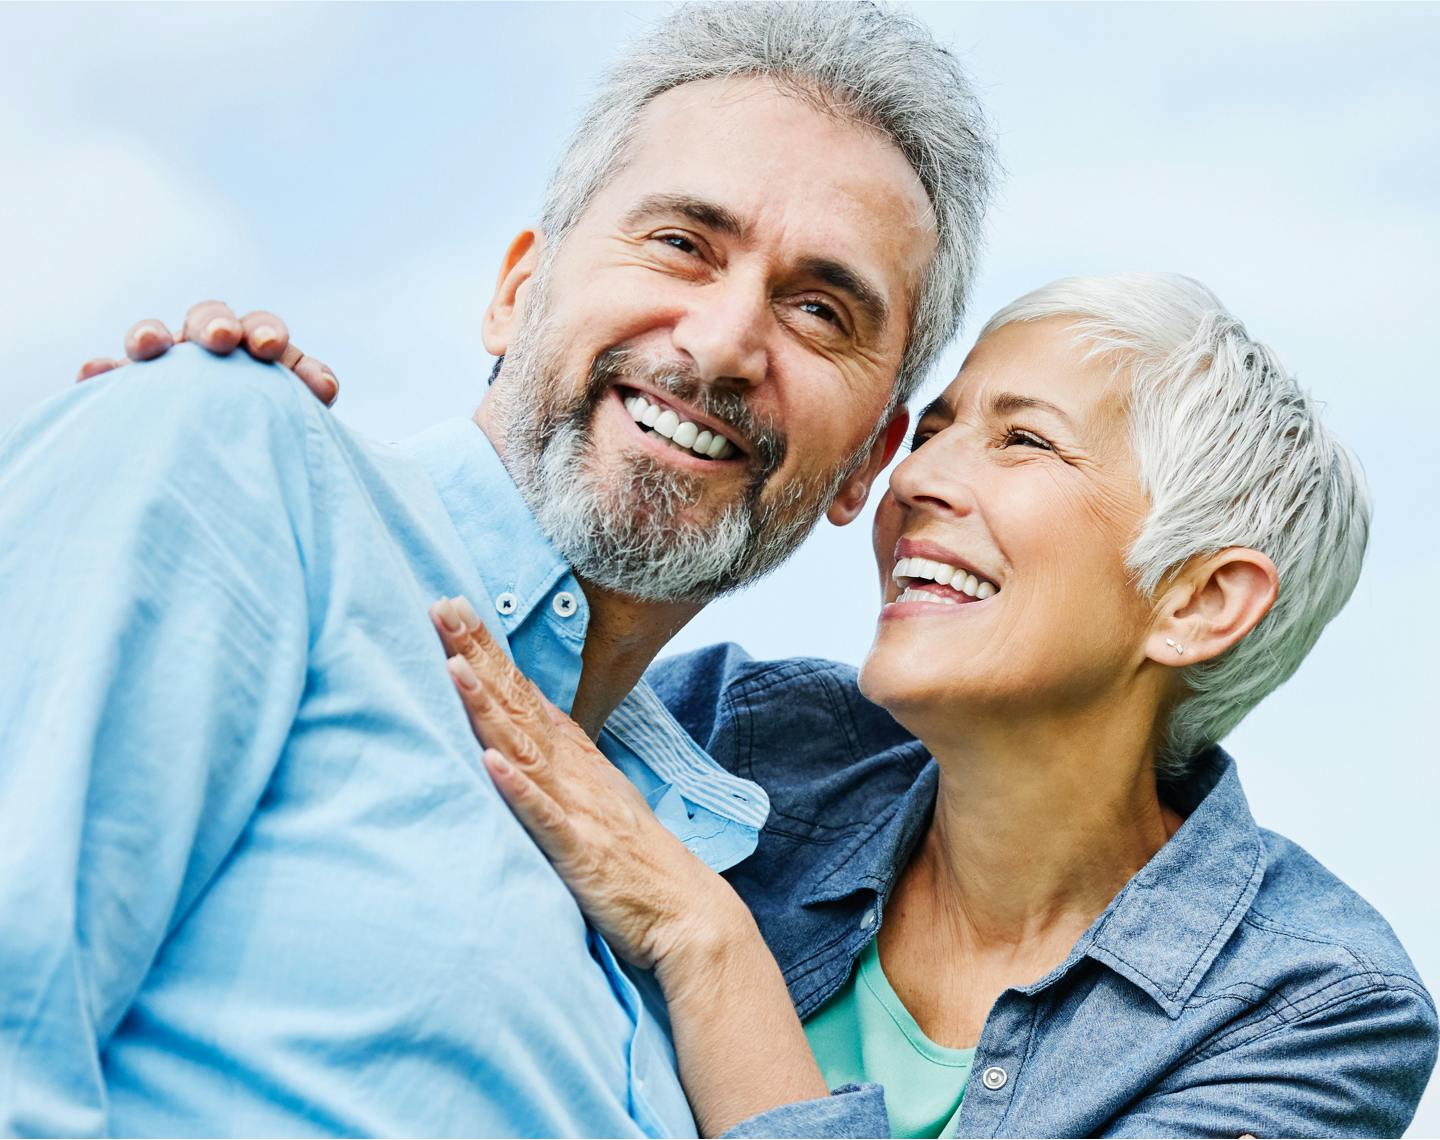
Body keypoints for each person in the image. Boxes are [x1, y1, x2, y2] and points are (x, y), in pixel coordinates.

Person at [0, 4, 994, 1136]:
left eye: (819, 310)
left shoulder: (724, 887)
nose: (722, 343)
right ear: (517, 291)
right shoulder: (233, 454)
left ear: (867, 461)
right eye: (681, 242)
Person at [422, 273, 1438, 1137]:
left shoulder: (1314, 1007)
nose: (917, 478)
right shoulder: (734, 733)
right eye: (938, 427)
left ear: (1199, 601)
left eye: (1024, 443)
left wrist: (705, 939)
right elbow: (401, 671)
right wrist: (273, 423)